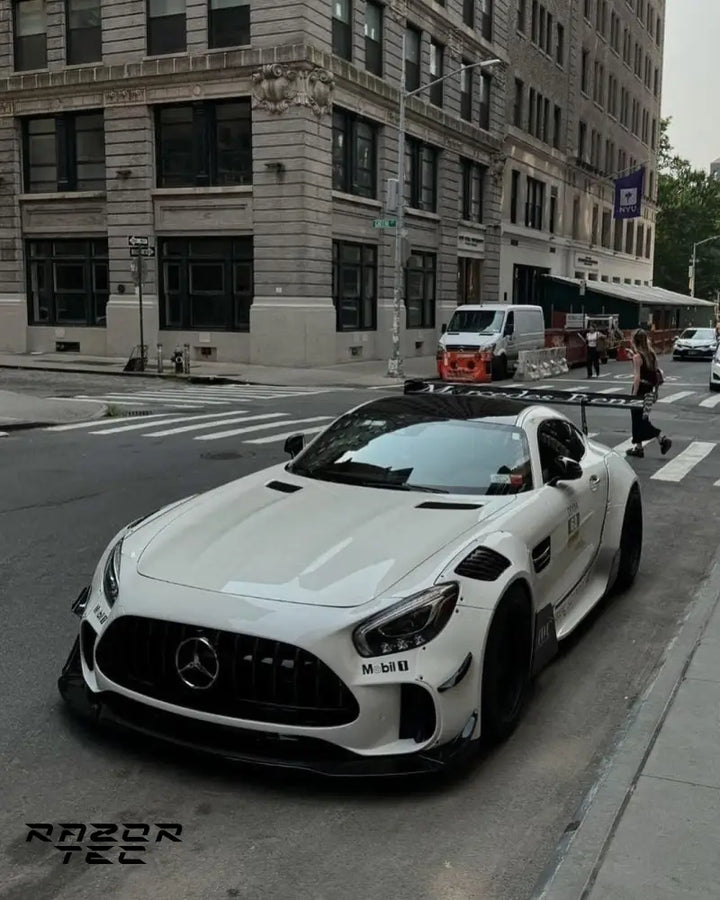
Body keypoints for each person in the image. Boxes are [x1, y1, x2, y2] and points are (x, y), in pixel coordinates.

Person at [626, 329, 672, 459]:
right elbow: (656, 375)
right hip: (650, 389)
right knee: (642, 418)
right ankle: (639, 448)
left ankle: (661, 438)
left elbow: (637, 377)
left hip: (639, 389)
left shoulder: (637, 357)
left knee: (638, 419)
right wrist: (656, 392)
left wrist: (633, 395)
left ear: (635, 341)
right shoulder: (651, 355)